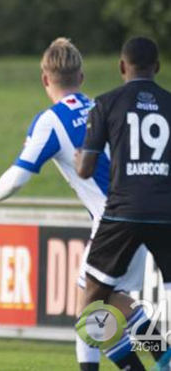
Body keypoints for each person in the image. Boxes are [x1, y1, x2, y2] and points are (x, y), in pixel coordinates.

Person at [0, 37, 164, 371]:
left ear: (45, 79)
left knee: (88, 307)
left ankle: (156, 358)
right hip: (141, 215)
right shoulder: (105, 106)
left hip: (113, 221)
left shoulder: (51, 121)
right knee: (112, 304)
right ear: (82, 76)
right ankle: (163, 355)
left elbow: (19, 176)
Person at [76, 36, 171, 371]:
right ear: (157, 68)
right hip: (166, 213)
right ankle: (165, 358)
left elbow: (86, 169)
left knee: (90, 300)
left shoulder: (105, 103)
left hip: (122, 214)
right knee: (128, 304)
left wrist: (77, 159)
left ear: (120, 66)